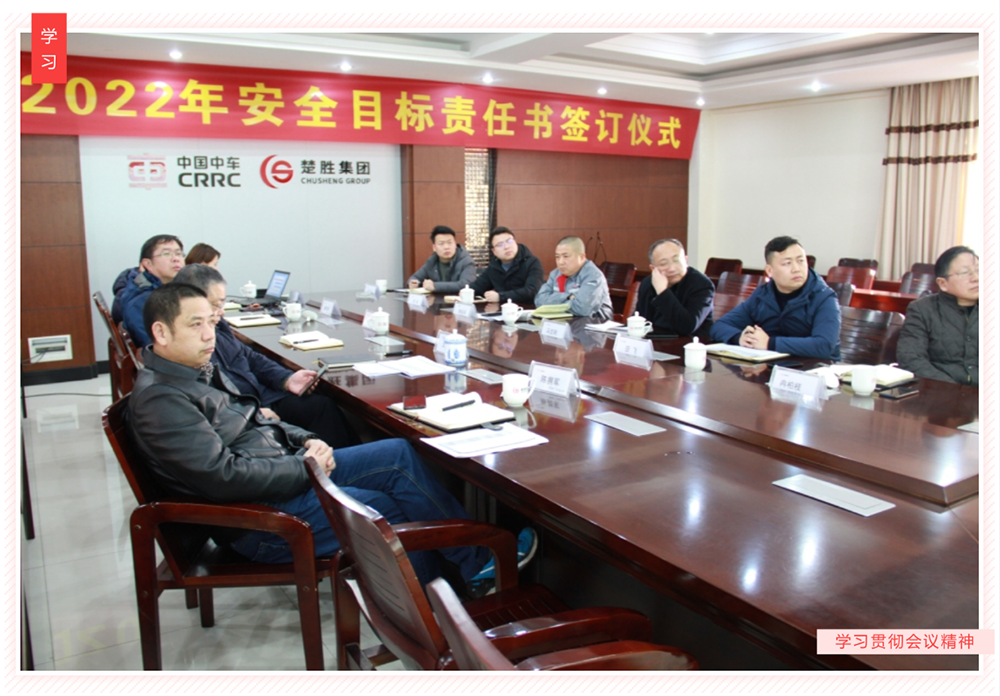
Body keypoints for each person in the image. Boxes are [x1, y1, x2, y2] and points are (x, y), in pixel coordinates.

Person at [128, 283, 536, 588]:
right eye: (195, 325)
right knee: (382, 509)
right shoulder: (162, 399)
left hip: (280, 473)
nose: (209, 335)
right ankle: (437, 613)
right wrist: (305, 467)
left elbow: (256, 416)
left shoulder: (195, 370)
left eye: (212, 322)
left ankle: (472, 563)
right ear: (161, 332)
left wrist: (304, 439)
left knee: (398, 452)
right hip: (262, 520)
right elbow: (223, 478)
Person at [173, 264, 359, 449]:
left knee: (321, 405)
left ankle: (347, 457)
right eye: (215, 305)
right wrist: (252, 415)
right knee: (318, 410)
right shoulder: (189, 345)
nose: (221, 311)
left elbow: (250, 357)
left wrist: (286, 379)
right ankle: (339, 462)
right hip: (244, 413)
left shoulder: (218, 324)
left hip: (260, 396)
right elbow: (213, 400)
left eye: (222, 303)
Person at [710, 236, 840, 360]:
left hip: (813, 369)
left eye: (801, 261)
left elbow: (824, 345)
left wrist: (769, 343)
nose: (796, 269)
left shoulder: (824, 297)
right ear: (770, 270)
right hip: (771, 366)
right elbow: (720, 326)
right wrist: (741, 338)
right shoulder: (762, 295)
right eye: (787, 263)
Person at [896, 246, 978, 386]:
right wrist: (953, 390)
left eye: (978, 270)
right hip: (940, 391)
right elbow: (911, 359)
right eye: (965, 273)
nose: (976, 278)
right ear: (943, 283)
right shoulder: (922, 309)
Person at [636, 239, 714, 336]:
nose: (672, 269)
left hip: (689, 342)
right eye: (663, 264)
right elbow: (640, 319)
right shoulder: (648, 283)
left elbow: (687, 327)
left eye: (676, 260)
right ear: (653, 268)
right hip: (654, 340)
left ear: (685, 260)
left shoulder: (702, 284)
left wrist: (662, 292)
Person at [120, 235, 185, 347]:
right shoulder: (142, 301)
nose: (176, 259)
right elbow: (155, 345)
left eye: (178, 253)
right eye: (166, 254)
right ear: (148, 264)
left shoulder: (170, 289)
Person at [534, 236, 613, 321]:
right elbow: (539, 301)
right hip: (563, 322)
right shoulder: (555, 274)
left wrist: (552, 301)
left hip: (594, 323)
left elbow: (581, 309)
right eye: (557, 257)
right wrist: (568, 297)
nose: (560, 262)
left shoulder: (593, 276)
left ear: (582, 257)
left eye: (566, 256)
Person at [470, 226, 544, 305]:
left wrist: (500, 297)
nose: (506, 247)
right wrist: (466, 292)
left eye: (509, 241)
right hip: (502, 310)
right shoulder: (494, 266)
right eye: (500, 245)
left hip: (528, 309)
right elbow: (478, 286)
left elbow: (532, 291)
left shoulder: (532, 262)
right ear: (494, 251)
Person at [407, 226, 477, 293]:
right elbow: (415, 277)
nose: (446, 247)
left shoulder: (466, 262)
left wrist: (435, 286)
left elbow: (467, 285)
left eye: (450, 243)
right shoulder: (432, 261)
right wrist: (413, 283)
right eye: (441, 244)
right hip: (437, 300)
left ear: (455, 244)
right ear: (434, 247)